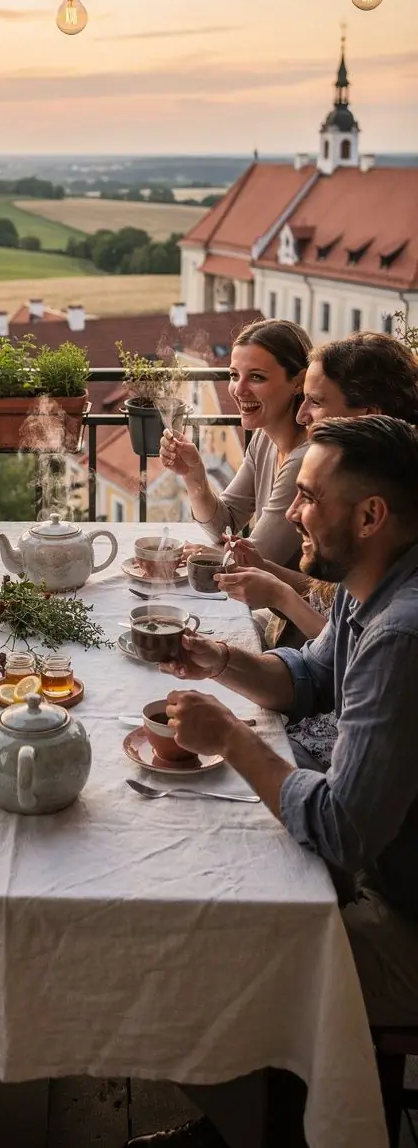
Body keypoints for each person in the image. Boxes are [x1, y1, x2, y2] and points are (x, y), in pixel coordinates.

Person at [162, 416, 418, 1026]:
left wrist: (230, 738)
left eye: (307, 497)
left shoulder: (400, 636)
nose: (294, 513)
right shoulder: (369, 579)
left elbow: (340, 829)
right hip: (383, 868)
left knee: (190, 957)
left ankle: (274, 1123)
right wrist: (219, 661)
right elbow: (310, 677)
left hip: (403, 910)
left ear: (369, 516)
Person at [217, 332, 418, 765]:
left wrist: (233, 743)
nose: (303, 414)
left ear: (370, 417)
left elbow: (347, 821)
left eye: (317, 402)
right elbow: (317, 668)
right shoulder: (365, 558)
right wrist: (217, 660)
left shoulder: (401, 627)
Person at [159, 319, 311, 570]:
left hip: (285, 607)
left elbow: (257, 560)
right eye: (233, 375)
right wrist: (193, 474)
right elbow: (224, 523)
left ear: (298, 382)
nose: (239, 390)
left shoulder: (305, 460)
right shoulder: (264, 439)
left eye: (257, 377)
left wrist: (206, 554)